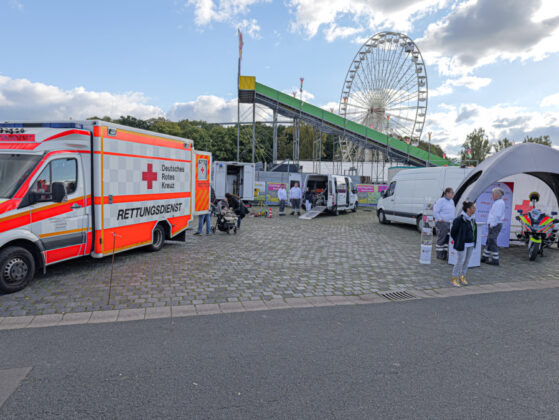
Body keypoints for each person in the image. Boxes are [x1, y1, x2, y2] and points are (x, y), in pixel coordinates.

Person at [450, 201, 477, 287]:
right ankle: (454, 278)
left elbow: (474, 231)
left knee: (467, 261)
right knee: (460, 261)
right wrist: (459, 240)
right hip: (462, 244)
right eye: (473, 208)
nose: (475, 209)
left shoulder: (472, 219)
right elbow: (453, 232)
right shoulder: (459, 219)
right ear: (468, 209)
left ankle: (463, 276)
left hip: (471, 243)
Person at [481, 187, 505, 266]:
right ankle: (485, 257)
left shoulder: (499, 203)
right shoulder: (498, 202)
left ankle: (495, 259)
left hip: (495, 224)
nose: (492, 195)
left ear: (498, 194)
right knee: (489, 240)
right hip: (494, 224)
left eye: (493, 194)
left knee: (492, 240)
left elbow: (497, 215)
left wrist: (492, 224)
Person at [433, 187, 455, 260]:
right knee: (441, 238)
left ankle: (444, 254)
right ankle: (439, 255)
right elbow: (435, 211)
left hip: (449, 223)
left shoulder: (452, 201)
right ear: (447, 193)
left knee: (447, 239)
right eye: (452, 193)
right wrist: (440, 219)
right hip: (442, 223)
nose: (453, 194)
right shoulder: (441, 201)